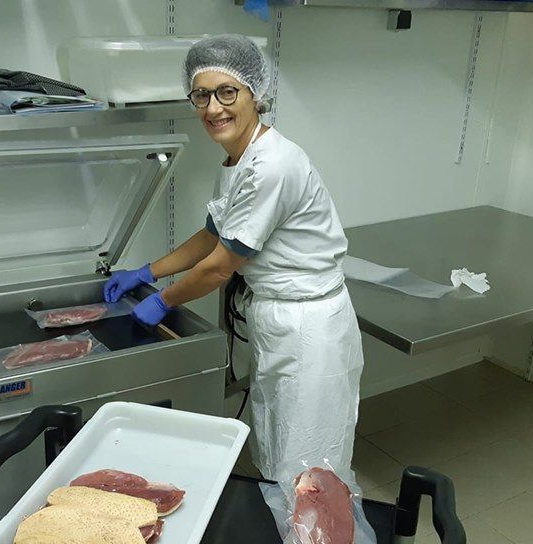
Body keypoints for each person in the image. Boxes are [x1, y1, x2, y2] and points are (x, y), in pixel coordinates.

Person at [103, 34, 364, 482]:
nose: (212, 108)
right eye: (201, 95)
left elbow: (221, 266)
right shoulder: (238, 160)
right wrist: (147, 271)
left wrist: (163, 301)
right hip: (280, 319)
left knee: (308, 467)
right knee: (279, 446)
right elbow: (212, 236)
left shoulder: (272, 167)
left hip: (307, 326)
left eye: (227, 92)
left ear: (256, 95)